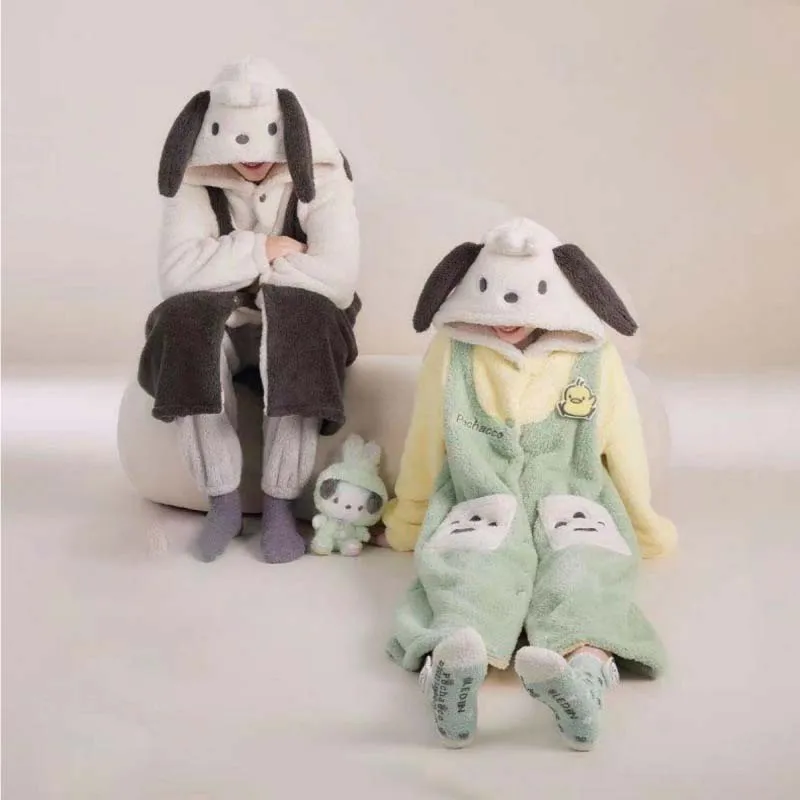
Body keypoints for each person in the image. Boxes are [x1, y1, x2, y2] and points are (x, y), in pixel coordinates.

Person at [383, 218, 677, 749]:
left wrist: (640, 518)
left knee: (585, 573)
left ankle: (583, 679)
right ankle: (452, 670)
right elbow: (426, 435)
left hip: (574, 495)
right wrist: (413, 509)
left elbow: (623, 439)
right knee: (466, 573)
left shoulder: (594, 357)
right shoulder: (452, 352)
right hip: (480, 494)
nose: (505, 321)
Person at [138, 58, 360, 563]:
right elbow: (176, 277)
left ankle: (280, 504)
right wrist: (269, 248)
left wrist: (224, 263)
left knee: (302, 320)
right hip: (225, 325)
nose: (253, 158)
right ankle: (222, 500)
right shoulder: (194, 180)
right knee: (184, 321)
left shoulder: (325, 175)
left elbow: (338, 278)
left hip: (303, 320)